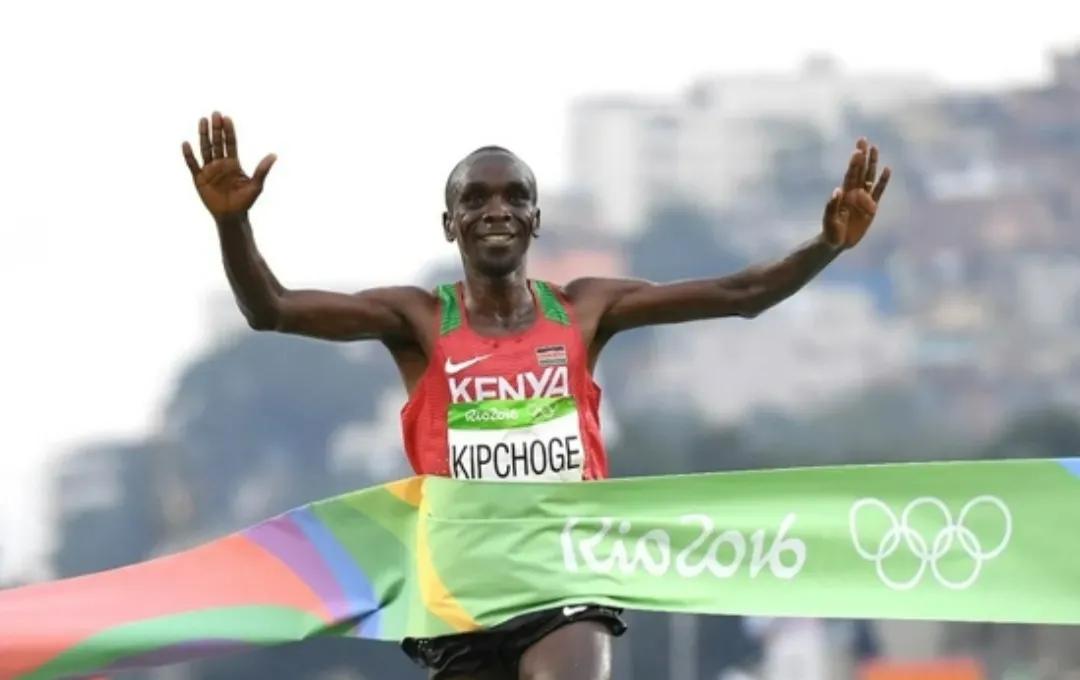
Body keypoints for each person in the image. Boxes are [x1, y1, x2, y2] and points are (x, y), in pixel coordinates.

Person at [181, 111, 890, 680]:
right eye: (475, 198)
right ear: (450, 223)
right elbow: (271, 308)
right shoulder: (419, 321)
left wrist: (825, 244)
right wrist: (232, 223)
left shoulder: (583, 310)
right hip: (461, 592)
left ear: (536, 220)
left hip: (565, 573)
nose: (497, 209)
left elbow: (742, 294)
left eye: (516, 196)